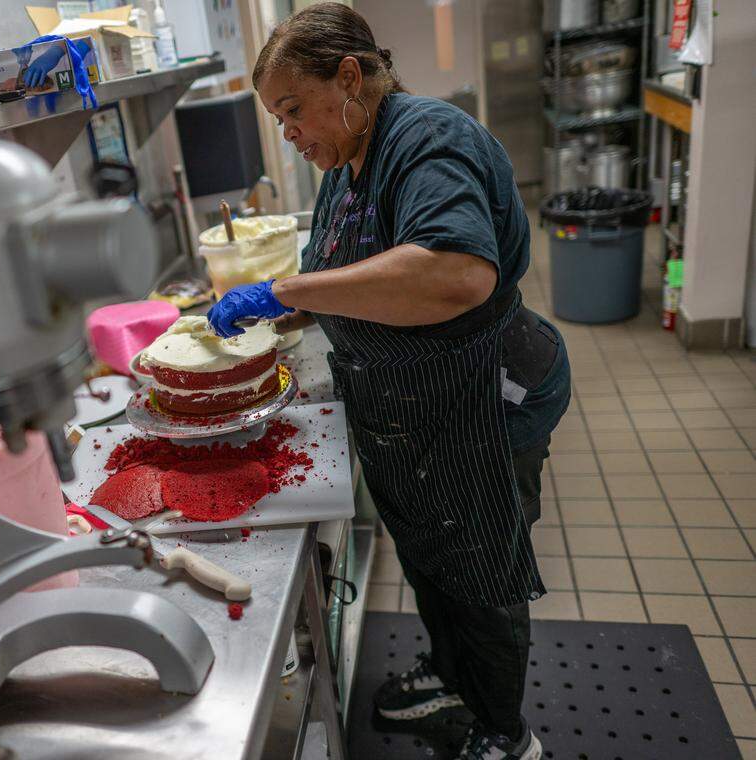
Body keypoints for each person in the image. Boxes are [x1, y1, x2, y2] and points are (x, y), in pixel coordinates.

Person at [207, 4, 570, 759]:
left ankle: (506, 733)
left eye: (293, 109)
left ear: (349, 77)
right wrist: (281, 313)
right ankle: (449, 676)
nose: (290, 132)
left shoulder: (426, 140)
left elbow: (453, 275)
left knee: (478, 573)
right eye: (279, 117)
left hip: (477, 400)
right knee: (430, 557)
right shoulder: (347, 163)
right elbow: (343, 278)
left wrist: (285, 294)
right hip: (409, 411)